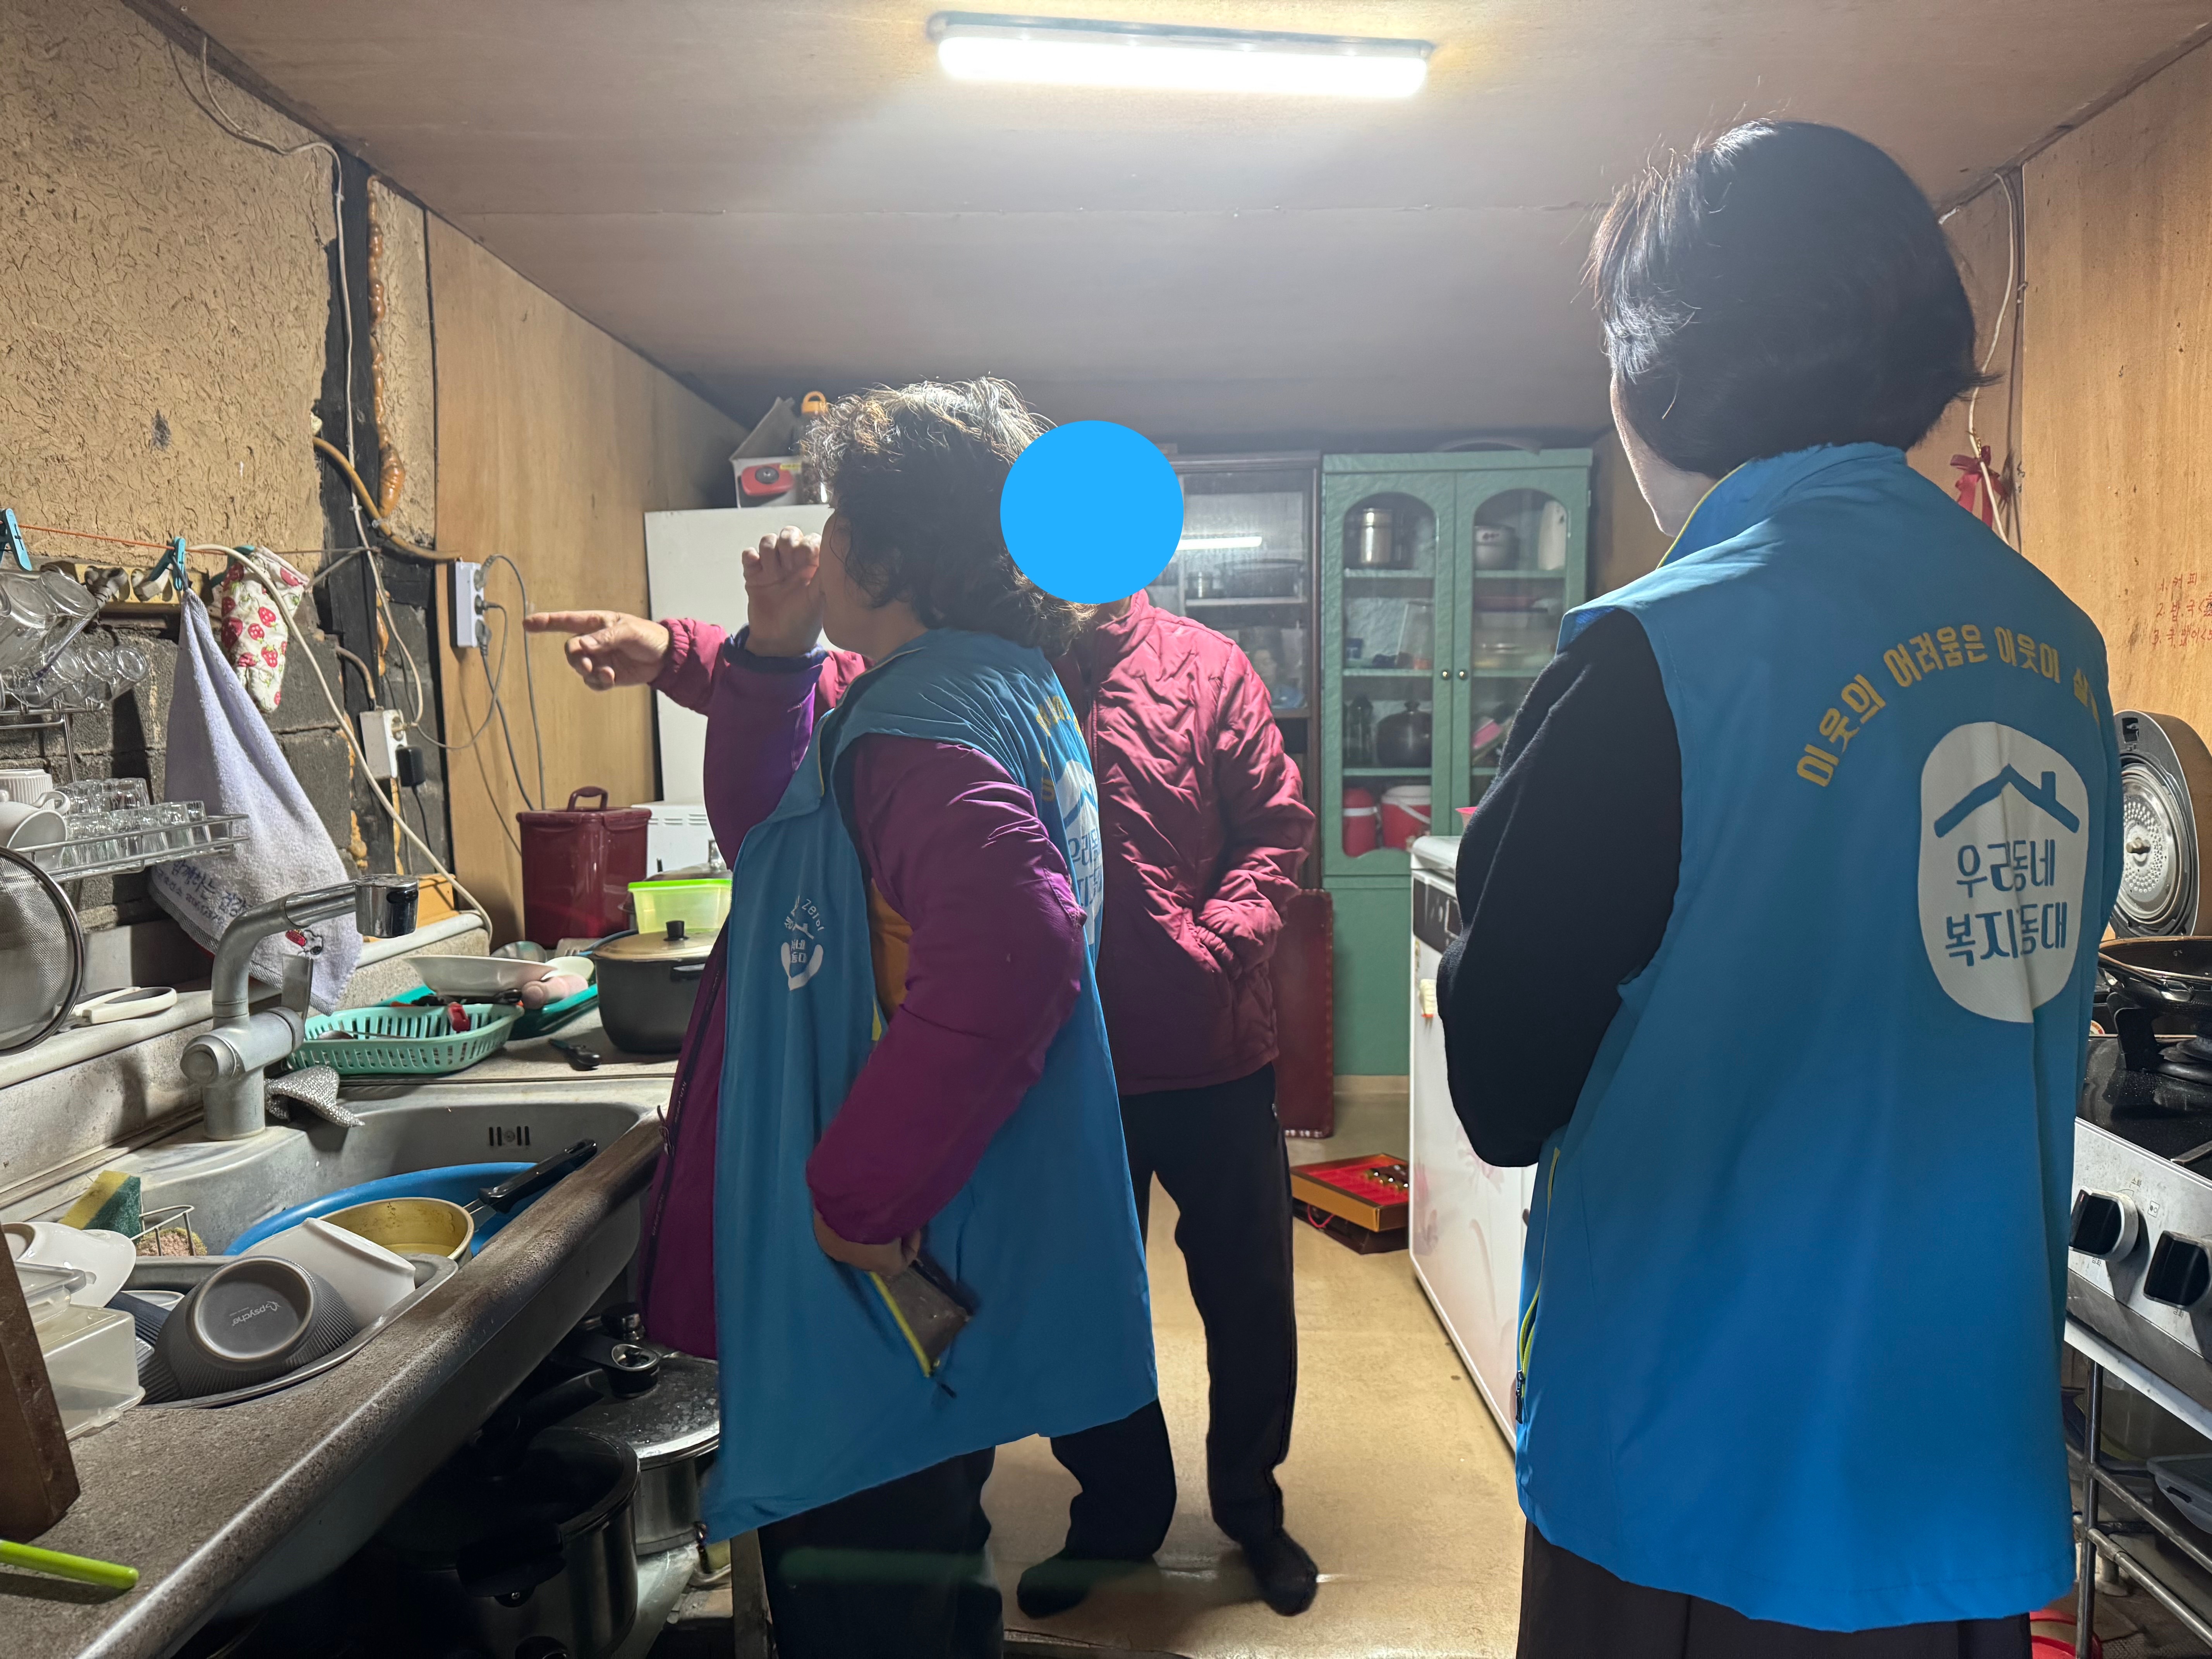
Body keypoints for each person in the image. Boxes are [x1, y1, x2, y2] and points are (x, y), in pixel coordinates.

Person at [1436, 121, 2122, 1659]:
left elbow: (1502, 1088)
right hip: (1954, 1465)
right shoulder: (2053, 644)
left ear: (1660, 375)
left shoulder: (1655, 657)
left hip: (1707, 1470)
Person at [528, 378, 1156, 1659]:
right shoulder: (994, 686)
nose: (819, 545)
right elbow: (784, 835)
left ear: (883, 550)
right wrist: (767, 653)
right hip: (941, 1239)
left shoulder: (918, 727)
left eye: (836, 519)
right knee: (925, 1565)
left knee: (874, 1596)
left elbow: (1015, 947)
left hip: (874, 1268)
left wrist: (860, 1191)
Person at [1018, 587, 1317, 1619]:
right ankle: (1117, 1513)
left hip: (1214, 1053)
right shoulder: (1003, 664)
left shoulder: (1207, 665)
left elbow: (1275, 827)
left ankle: (1252, 1506)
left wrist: (1217, 943)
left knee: (1249, 1298)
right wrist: (703, 654)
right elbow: (852, 675)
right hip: (1065, 1062)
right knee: (1081, 1304)